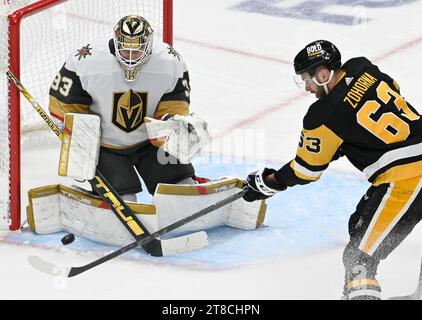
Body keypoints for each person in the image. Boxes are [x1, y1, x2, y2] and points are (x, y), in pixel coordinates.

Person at [243, 39, 422, 300]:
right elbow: (393, 90)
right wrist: (348, 141)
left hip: (406, 179)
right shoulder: (363, 67)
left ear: (323, 74)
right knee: (359, 224)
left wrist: (270, 181)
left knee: (359, 258)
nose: (306, 87)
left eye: (307, 79)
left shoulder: (323, 115)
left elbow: (306, 170)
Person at [48, 15, 206, 202]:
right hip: (105, 147)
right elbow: (63, 105)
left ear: (148, 46)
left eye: (137, 51)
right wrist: (81, 141)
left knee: (182, 190)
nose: (130, 58)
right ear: (116, 43)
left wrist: (170, 124)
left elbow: (174, 104)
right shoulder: (86, 61)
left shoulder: (170, 61)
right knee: (126, 202)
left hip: (149, 144)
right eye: (124, 51)